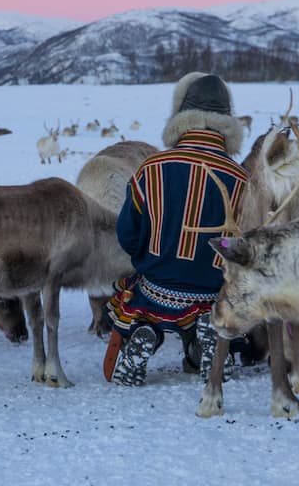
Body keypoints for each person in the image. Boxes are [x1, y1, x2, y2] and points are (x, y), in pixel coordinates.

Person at [103, 72, 248, 386]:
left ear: (182, 118)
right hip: (212, 287)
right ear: (227, 124)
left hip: (158, 282)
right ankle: (209, 338)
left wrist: (148, 256)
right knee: (217, 308)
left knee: (140, 305)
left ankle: (146, 334)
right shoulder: (241, 178)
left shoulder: (153, 167)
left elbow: (127, 232)